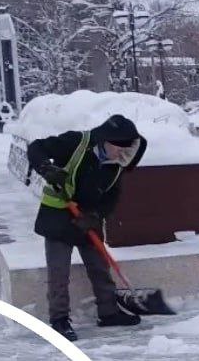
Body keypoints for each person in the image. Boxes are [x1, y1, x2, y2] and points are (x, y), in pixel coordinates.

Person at [27, 114, 147, 341]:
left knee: (100, 267)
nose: (123, 155)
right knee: (59, 272)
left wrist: (95, 216)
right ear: (105, 140)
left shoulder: (116, 166)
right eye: (119, 149)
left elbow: (111, 198)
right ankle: (60, 320)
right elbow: (36, 148)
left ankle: (109, 312)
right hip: (58, 218)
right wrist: (46, 168)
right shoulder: (75, 142)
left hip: (87, 219)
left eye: (127, 151)